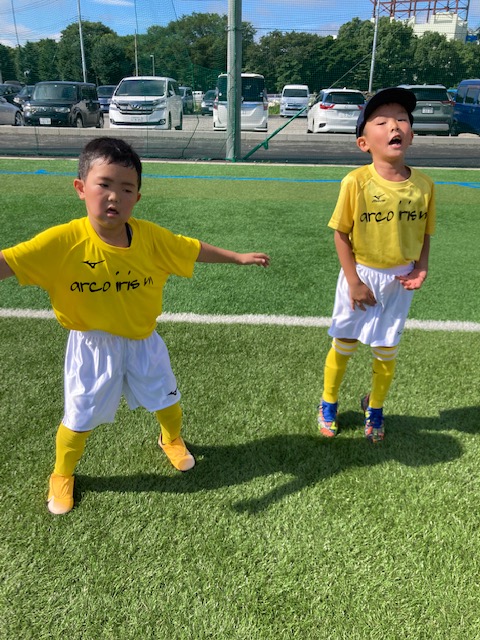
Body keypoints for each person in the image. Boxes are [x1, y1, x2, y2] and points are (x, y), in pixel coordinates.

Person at [0, 137, 270, 515]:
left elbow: (190, 248)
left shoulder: (150, 237)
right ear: (81, 188)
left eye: (127, 189)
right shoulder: (62, 242)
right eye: (104, 184)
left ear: (137, 197)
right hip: (92, 347)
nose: (115, 196)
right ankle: (62, 473)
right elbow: (9, 263)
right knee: (79, 420)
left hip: (144, 341)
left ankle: (170, 439)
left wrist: (237, 257)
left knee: (168, 401)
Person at [317, 87, 435, 443]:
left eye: (401, 120)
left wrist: (421, 268)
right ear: (364, 143)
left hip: (399, 281)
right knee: (344, 342)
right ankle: (328, 402)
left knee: (386, 350)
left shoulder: (425, 186)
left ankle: (376, 407)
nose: (394, 126)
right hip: (361, 275)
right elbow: (341, 234)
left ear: (411, 135)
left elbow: (425, 233)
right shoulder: (356, 182)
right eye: (381, 122)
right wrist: (353, 281)